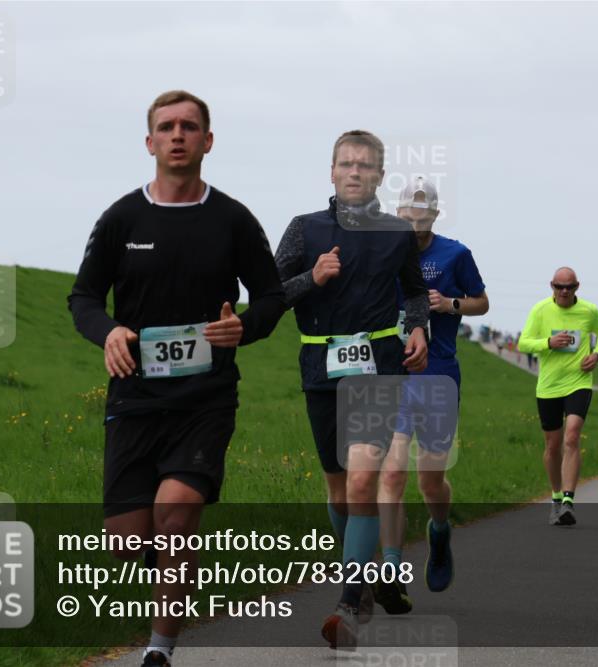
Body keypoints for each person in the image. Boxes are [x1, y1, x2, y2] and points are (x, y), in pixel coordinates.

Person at [68, 90, 287, 667]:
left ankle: (159, 650)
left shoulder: (234, 220)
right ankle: (179, 563)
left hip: (205, 395)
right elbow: (84, 297)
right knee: (128, 541)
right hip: (136, 395)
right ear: (150, 143)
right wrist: (110, 332)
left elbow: (271, 297)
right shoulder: (121, 219)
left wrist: (245, 326)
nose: (178, 135)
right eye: (166, 127)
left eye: (190, 126)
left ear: (207, 141)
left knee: (176, 511)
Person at [274, 130, 429, 650]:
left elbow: (413, 291)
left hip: (380, 365)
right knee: (339, 489)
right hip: (321, 365)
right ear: (332, 172)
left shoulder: (396, 232)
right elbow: (271, 295)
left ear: (381, 176)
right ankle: (365, 573)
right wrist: (311, 279)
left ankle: (350, 601)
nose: (356, 172)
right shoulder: (305, 229)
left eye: (366, 166)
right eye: (346, 164)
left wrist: (418, 325)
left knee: (365, 482)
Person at [376, 176, 489, 614]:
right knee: (392, 473)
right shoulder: (384, 251)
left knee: (430, 480)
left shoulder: (455, 253)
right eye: (407, 216)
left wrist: (451, 305)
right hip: (395, 375)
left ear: (435, 216)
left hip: (439, 374)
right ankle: (391, 570)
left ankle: (439, 530)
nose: (415, 223)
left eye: (422, 217)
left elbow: (481, 301)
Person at [518, 267, 598, 526]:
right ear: (551, 286)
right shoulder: (540, 310)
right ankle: (556, 497)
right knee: (552, 446)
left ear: (577, 287)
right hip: (548, 386)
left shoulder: (588, 311)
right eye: (558, 286)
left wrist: (597, 355)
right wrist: (548, 343)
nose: (563, 292)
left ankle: (569, 501)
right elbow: (523, 343)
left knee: (572, 435)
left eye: (569, 287)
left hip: (578, 382)